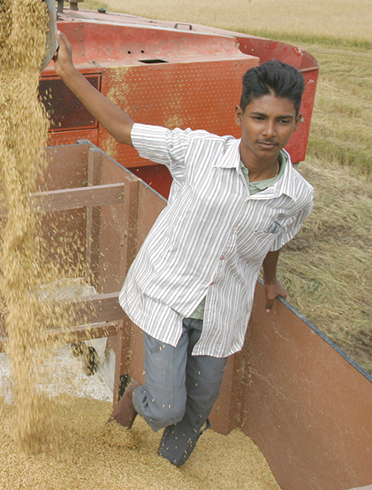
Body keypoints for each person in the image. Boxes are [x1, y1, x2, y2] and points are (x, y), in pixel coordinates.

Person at [52, 31, 313, 467]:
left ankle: (164, 473)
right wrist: (69, 72)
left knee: (196, 413)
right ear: (240, 115)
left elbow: (275, 238)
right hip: (168, 294)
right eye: (259, 117)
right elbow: (123, 129)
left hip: (223, 310)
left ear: (297, 121)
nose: (269, 132)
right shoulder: (197, 152)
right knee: (169, 405)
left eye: (282, 121)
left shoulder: (297, 195)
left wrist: (270, 282)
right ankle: (135, 398)